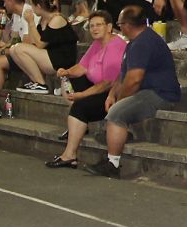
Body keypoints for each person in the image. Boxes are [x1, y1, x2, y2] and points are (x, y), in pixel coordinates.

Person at [83, 5, 182, 179]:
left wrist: (120, 101)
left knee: (116, 113)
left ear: (127, 25)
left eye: (120, 24)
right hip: (147, 91)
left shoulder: (143, 43)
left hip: (160, 93)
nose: (119, 28)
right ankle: (121, 135)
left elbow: (134, 79)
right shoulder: (135, 42)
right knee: (115, 108)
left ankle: (112, 164)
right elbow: (123, 74)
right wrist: (112, 94)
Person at [44, 11, 129, 169]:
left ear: (109, 27)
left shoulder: (115, 45)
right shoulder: (97, 43)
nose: (94, 29)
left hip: (112, 93)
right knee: (68, 80)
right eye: (91, 26)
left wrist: (82, 95)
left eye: (99, 25)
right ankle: (78, 125)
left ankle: (70, 155)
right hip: (96, 87)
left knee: (80, 106)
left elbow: (108, 83)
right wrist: (66, 72)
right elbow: (82, 67)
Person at [10, 0, 77, 94]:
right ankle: (36, 82)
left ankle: (41, 83)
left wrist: (31, 22)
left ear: (38, 6)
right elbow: (34, 42)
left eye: (32, 6)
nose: (31, 9)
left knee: (19, 48)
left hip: (62, 58)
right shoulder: (43, 20)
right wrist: (30, 23)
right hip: (49, 55)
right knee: (13, 49)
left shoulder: (57, 19)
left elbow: (41, 44)